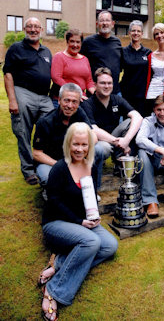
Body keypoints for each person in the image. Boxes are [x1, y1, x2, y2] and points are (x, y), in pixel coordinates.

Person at [40, 122, 118, 320]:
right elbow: (54, 202)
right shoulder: (59, 168)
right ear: (68, 144)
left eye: (85, 145)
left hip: (81, 222)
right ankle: (54, 290)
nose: (80, 149)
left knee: (110, 246)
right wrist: (79, 221)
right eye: (76, 144)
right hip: (56, 223)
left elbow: (89, 197)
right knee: (92, 242)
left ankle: (58, 263)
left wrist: (93, 216)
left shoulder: (89, 166)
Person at [3, 17, 54, 185]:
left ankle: (43, 162)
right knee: (23, 131)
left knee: (50, 126)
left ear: (41, 30)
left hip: (43, 96)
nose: (33, 29)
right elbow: (8, 74)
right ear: (25, 29)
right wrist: (12, 100)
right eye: (30, 26)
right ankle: (28, 170)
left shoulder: (46, 51)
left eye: (36, 27)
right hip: (23, 92)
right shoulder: (16, 48)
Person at [33, 83, 103, 195]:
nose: (70, 105)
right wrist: (62, 166)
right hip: (52, 161)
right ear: (59, 100)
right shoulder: (45, 122)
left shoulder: (79, 112)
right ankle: (51, 193)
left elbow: (93, 136)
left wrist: (81, 153)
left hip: (75, 156)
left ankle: (93, 190)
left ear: (79, 102)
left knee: (99, 149)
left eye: (74, 101)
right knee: (47, 176)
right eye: (66, 100)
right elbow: (37, 154)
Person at [82, 67, 143, 162]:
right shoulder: (88, 104)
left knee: (132, 122)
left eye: (109, 83)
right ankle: (96, 166)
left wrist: (126, 140)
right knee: (104, 147)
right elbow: (94, 129)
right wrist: (118, 142)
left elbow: (138, 117)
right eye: (102, 83)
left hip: (116, 136)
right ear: (95, 85)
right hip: (99, 140)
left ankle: (120, 162)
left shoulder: (116, 99)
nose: (106, 86)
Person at [50, 29, 95, 107]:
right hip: (63, 101)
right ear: (67, 42)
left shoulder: (85, 59)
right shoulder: (59, 57)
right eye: (72, 41)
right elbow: (56, 78)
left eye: (78, 42)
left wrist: (97, 94)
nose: (75, 45)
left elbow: (89, 81)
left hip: (81, 100)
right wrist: (74, 93)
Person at [80, 11, 122, 94]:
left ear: (112, 24)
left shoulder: (117, 42)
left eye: (107, 20)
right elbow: (81, 65)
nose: (105, 23)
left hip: (115, 91)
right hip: (95, 92)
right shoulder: (88, 42)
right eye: (102, 20)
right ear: (97, 23)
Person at [120, 20, 151, 116]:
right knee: (128, 123)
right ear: (129, 33)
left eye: (138, 31)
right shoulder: (123, 51)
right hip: (127, 95)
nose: (136, 33)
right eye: (133, 31)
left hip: (143, 96)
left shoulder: (148, 53)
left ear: (142, 33)